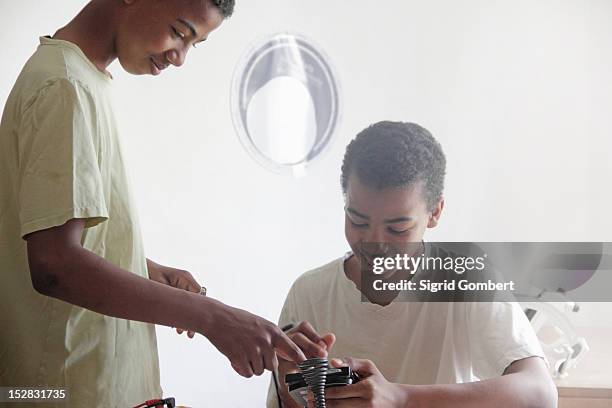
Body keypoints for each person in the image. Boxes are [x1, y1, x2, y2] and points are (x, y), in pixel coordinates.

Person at [0, 1, 305, 406]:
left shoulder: (83, 80)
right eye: (180, 31)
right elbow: (55, 265)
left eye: (194, 44)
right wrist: (212, 317)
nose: (179, 57)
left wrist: (142, 268)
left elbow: (51, 236)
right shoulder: (65, 86)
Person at [267, 121, 557, 407]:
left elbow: (540, 393)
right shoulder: (309, 293)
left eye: (397, 228)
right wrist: (289, 382)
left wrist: (401, 398)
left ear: (435, 212)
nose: (374, 244)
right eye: (358, 221)